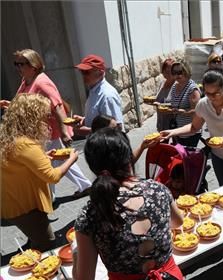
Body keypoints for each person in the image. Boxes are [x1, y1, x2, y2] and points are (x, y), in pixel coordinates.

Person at [72, 128, 188, 280]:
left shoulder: (90, 215)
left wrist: (76, 256)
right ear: (128, 158)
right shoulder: (157, 189)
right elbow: (178, 222)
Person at [0, 94, 79, 251]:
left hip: (13, 201)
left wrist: (44, 158)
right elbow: (52, 176)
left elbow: (21, 164)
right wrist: (71, 159)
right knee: (48, 243)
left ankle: (30, 248)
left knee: (35, 239)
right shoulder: (26, 145)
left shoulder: (12, 137)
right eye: (44, 116)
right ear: (32, 117)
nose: (47, 121)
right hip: (25, 207)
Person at [12, 49, 91, 198]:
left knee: (49, 162)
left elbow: (58, 106)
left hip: (49, 132)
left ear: (33, 66)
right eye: (16, 64)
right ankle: (83, 186)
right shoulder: (26, 80)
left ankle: (50, 197)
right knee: (57, 161)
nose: (17, 67)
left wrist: (64, 132)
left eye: (20, 64)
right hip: (39, 132)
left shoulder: (42, 82)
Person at [162, 70, 223, 186]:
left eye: (216, 93)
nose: (212, 97)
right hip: (219, 155)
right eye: (208, 94)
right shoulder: (203, 104)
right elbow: (194, 127)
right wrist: (172, 132)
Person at [73, 54, 124, 135]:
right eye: (82, 72)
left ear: (100, 72)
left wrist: (88, 131)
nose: (83, 76)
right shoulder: (94, 91)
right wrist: (84, 120)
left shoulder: (107, 95)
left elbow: (116, 127)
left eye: (86, 72)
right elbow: (101, 120)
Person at [91, 114, 160, 164]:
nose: (118, 131)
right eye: (114, 129)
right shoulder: (108, 149)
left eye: (117, 128)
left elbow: (128, 161)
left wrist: (142, 147)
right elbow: (127, 163)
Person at [165, 58, 202, 147]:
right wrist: (165, 107)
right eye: (174, 73)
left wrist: (183, 112)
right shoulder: (174, 86)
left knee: (188, 158)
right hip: (177, 130)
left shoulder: (192, 89)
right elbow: (174, 103)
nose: (177, 75)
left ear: (186, 71)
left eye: (179, 72)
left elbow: (197, 112)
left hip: (190, 131)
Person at [155, 58, 176, 131]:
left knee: (176, 143)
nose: (168, 74)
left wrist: (162, 106)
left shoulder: (177, 86)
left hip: (174, 124)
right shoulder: (162, 83)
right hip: (161, 122)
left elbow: (179, 104)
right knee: (162, 142)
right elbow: (157, 99)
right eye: (165, 71)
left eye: (170, 71)